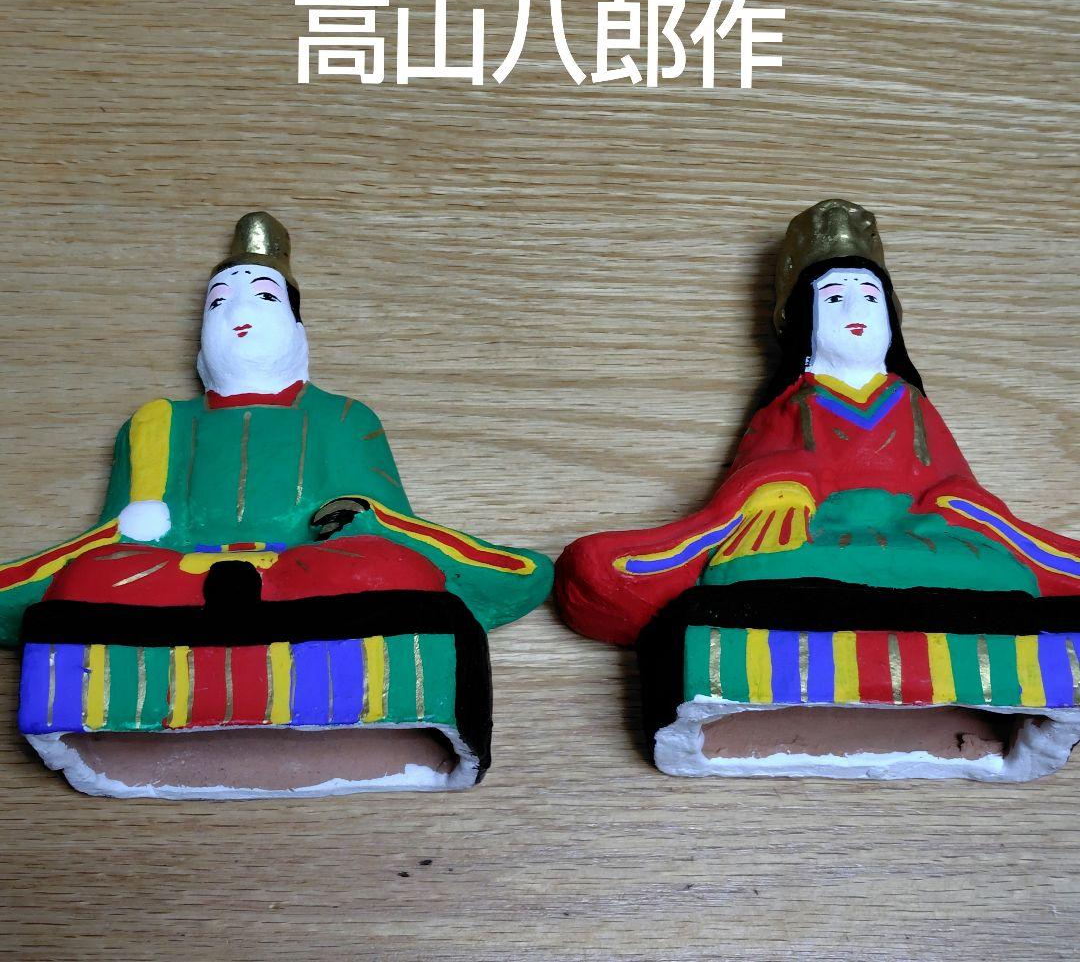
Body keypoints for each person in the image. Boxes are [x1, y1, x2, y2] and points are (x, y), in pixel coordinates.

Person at [1, 212, 552, 645]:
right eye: (219, 302)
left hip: (306, 567)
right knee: (93, 576)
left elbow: (389, 517)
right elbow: (115, 533)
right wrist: (139, 522)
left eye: (264, 297)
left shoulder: (343, 417)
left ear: (297, 330)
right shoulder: (158, 424)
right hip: (183, 571)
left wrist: (359, 515)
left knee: (385, 567)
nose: (236, 314)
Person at [556, 198, 1080, 647]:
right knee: (733, 564)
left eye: (869, 296)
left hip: (921, 533)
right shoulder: (794, 403)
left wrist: (956, 503)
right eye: (833, 297)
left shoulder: (910, 403)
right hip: (814, 530)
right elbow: (762, 465)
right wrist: (777, 488)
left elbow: (953, 480)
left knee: (992, 566)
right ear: (804, 317)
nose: (855, 310)